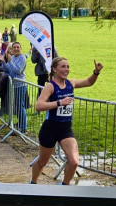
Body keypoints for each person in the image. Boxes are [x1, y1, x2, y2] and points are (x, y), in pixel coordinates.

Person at [31, 57, 104, 185]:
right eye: (63, 67)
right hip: (50, 129)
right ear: (54, 69)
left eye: (68, 67)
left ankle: (64, 186)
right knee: (43, 161)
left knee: (74, 161)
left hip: (65, 129)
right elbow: (39, 106)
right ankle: (33, 183)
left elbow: (88, 82)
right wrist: (59, 103)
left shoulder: (71, 83)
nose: (66, 70)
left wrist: (96, 72)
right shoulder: (50, 86)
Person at [0, 41, 28, 132]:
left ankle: (23, 127)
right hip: (14, 85)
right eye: (14, 47)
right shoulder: (13, 57)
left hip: (20, 85)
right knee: (16, 106)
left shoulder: (22, 58)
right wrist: (4, 62)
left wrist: (10, 62)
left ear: (21, 48)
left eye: (17, 47)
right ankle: (20, 123)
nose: (16, 49)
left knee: (20, 106)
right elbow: (7, 69)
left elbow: (18, 71)